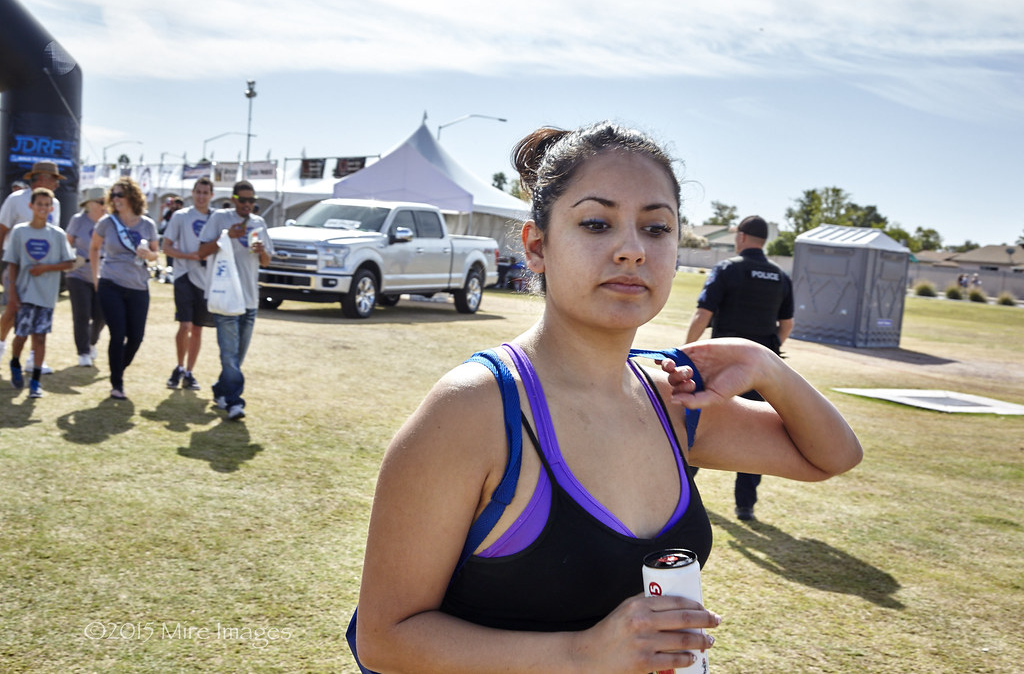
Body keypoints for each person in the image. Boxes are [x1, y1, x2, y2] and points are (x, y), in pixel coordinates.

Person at [355, 122, 862, 672]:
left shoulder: (673, 401)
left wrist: (766, 366)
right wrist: (582, 653)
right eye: (597, 224)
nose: (631, 250)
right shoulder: (473, 409)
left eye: (657, 228)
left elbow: (832, 457)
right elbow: (385, 639)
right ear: (536, 246)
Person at [684, 214, 795, 521]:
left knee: (696, 427)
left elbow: (702, 315)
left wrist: (686, 353)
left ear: (742, 237)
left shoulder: (728, 269)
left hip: (722, 367)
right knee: (755, 436)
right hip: (761, 372)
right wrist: (769, 352)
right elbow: (787, 324)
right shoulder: (780, 276)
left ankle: (680, 489)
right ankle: (745, 505)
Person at [197, 180, 273, 421]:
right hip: (226, 297)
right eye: (243, 200)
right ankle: (234, 402)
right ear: (234, 199)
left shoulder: (259, 223)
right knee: (229, 355)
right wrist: (226, 237)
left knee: (237, 356)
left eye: (252, 201)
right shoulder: (220, 218)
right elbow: (201, 252)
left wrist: (261, 251)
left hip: (250, 299)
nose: (248, 204)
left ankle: (221, 390)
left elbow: (267, 262)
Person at [88, 178, 160, 400]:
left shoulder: (147, 224)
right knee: (117, 334)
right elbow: (93, 248)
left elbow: (157, 254)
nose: (116, 199)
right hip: (111, 283)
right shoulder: (107, 223)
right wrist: (96, 278)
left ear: (132, 197)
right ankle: (117, 383)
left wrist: (150, 255)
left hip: (138, 286)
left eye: (121, 195)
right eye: (114, 195)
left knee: (136, 337)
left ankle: (118, 369)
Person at [2, 188, 74, 397]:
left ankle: (35, 382)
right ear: (30, 206)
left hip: (47, 295)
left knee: (40, 338)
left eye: (46, 205)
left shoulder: (57, 234)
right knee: (22, 335)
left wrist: (45, 268)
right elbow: (12, 263)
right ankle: (15, 361)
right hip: (24, 293)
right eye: (39, 204)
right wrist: (12, 294)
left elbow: (69, 262)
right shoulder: (19, 232)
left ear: (52, 208)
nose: (43, 208)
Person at [0, 161, 64, 376]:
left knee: (40, 314)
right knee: (13, 309)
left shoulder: (55, 203)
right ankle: (0, 346)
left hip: (44, 270)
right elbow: (1, 231)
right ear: (42, 178)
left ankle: (32, 359)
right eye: (54, 179)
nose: (57, 183)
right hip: (17, 266)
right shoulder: (16, 200)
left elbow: (53, 235)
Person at [161, 178, 215, 390]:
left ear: (211, 195)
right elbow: (166, 247)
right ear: (193, 193)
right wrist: (188, 256)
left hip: (206, 280)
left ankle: (190, 372)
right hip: (184, 276)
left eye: (205, 192)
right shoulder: (181, 217)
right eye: (198, 192)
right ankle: (179, 366)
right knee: (185, 325)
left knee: (199, 329)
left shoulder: (216, 218)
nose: (201, 196)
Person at [66, 187, 108, 367]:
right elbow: (66, 244)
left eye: (107, 202)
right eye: (101, 202)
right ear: (90, 204)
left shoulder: (110, 222)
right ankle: (83, 351)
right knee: (81, 314)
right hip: (78, 274)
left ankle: (91, 342)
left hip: (103, 275)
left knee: (102, 315)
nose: (105, 206)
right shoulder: (78, 220)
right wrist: (72, 259)